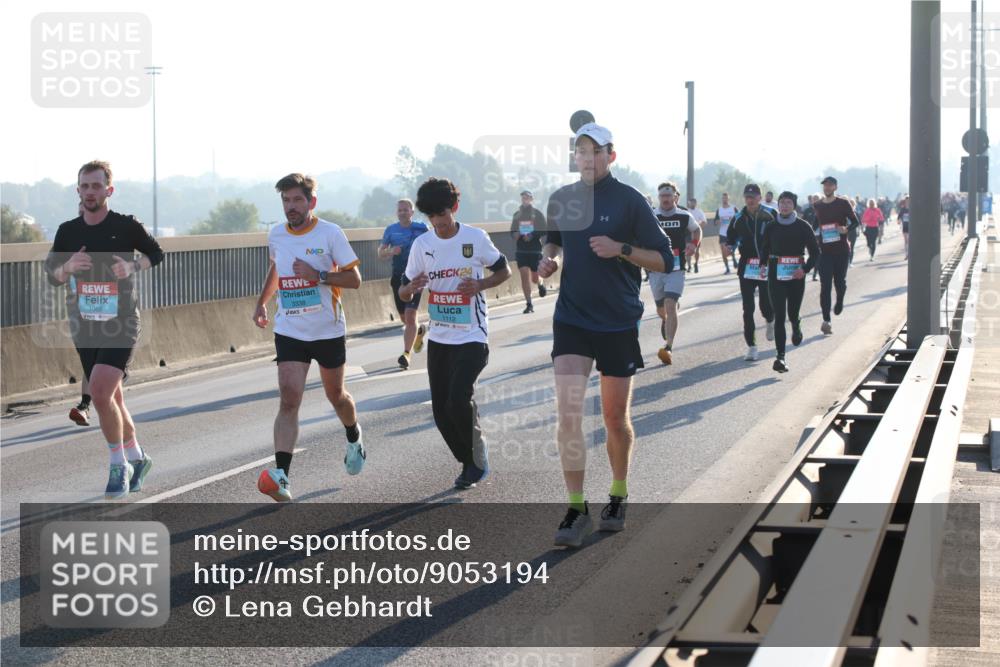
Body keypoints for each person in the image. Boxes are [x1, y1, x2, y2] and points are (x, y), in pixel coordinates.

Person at [537, 122, 674, 548]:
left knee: (615, 418)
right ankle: (576, 506)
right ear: (574, 157)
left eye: (596, 152)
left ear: (610, 156)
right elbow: (554, 243)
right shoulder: (562, 199)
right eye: (581, 152)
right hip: (572, 320)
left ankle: (617, 493)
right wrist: (549, 261)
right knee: (569, 415)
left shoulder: (630, 201)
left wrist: (623, 250)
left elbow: (665, 260)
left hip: (617, 321)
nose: (588, 159)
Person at [45, 160, 163, 498]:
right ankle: (138, 457)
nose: (90, 192)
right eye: (85, 186)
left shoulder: (125, 226)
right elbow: (52, 275)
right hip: (84, 325)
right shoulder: (68, 230)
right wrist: (67, 267)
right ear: (78, 190)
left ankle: (118, 466)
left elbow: (156, 253)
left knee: (98, 393)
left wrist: (132, 265)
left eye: (97, 186)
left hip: (121, 323)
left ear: (109, 190)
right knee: (112, 398)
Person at [254, 173, 365, 502]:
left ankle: (353, 434)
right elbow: (277, 269)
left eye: (297, 200)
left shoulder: (330, 233)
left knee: (337, 396)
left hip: (327, 329)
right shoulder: (276, 234)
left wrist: (318, 276)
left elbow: (355, 279)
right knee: (289, 399)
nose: (291, 206)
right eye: (286, 201)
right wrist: (261, 302)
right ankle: (282, 476)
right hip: (289, 329)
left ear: (311, 202)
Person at [399, 177, 511, 489]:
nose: (439, 223)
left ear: (455, 208)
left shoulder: (475, 238)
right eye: (432, 217)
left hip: (472, 335)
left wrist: (481, 284)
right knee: (440, 412)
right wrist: (411, 288)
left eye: (443, 215)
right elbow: (404, 293)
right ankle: (469, 460)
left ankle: (476, 454)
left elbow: (505, 271)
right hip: (439, 338)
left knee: (458, 399)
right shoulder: (422, 245)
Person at [762, 192, 819, 373]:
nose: (784, 206)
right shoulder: (771, 226)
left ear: (794, 205)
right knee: (779, 316)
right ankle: (780, 357)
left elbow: (815, 253)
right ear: (778, 205)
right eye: (782, 203)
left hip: (796, 276)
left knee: (792, 313)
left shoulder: (803, 226)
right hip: (776, 276)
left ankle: (796, 324)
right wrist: (763, 264)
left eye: (788, 203)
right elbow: (764, 249)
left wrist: (805, 269)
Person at [651, 183, 700, 364]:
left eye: (668, 195)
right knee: (661, 308)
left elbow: (697, 230)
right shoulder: (652, 216)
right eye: (662, 195)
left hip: (676, 268)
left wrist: (694, 244)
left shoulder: (683, 216)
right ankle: (665, 319)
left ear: (675, 197)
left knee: (670, 304)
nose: (665, 198)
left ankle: (669, 346)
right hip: (656, 269)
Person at [726, 183, 776, 361]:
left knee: (765, 305)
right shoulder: (738, 217)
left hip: (765, 265)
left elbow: (781, 232)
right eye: (747, 197)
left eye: (753, 197)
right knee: (748, 308)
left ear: (759, 198)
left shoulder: (770, 214)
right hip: (746, 266)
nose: (750, 200)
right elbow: (730, 238)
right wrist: (729, 247)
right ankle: (752, 346)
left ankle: (770, 320)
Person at [378, 199, 429, 369]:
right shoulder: (391, 230)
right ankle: (419, 332)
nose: (402, 212)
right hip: (398, 277)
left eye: (406, 210)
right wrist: (392, 251)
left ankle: (406, 354)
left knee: (410, 316)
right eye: (400, 210)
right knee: (404, 318)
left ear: (412, 212)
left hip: (416, 277)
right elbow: (381, 253)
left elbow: (434, 245)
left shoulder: (422, 228)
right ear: (396, 212)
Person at [813, 176, 860, 335]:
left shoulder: (842, 203)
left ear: (835, 187)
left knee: (839, 282)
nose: (827, 187)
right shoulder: (817, 205)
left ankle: (839, 300)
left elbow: (855, 222)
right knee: (825, 286)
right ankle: (826, 320)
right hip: (824, 252)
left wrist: (846, 229)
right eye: (825, 185)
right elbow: (815, 224)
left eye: (830, 185)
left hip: (841, 250)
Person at [509, 190, 548, 313]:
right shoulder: (517, 215)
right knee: (524, 277)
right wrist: (516, 234)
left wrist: (532, 235)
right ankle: (529, 304)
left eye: (527, 197)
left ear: (531, 199)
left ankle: (540, 284)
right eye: (523, 197)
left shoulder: (537, 214)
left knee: (535, 278)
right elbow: (512, 231)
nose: (525, 199)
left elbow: (545, 230)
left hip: (535, 250)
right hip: (521, 251)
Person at [714, 192, 740, 274]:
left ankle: (733, 258)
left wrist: (733, 220)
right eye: (723, 198)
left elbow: (740, 218)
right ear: (721, 199)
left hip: (732, 233)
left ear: (728, 199)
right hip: (722, 233)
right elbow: (715, 222)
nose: (724, 200)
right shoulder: (719, 210)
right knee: (723, 250)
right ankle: (727, 268)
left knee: (730, 248)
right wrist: (718, 221)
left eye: (726, 198)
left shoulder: (733, 208)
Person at [685, 197, 707, 273]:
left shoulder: (699, 211)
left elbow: (704, 222)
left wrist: (697, 229)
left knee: (696, 250)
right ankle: (689, 266)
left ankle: (696, 263)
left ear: (696, 203)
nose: (692, 204)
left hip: (697, 233)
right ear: (689, 203)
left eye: (694, 202)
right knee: (688, 249)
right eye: (691, 202)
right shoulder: (686, 211)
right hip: (688, 233)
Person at [898, 195, 911, 259]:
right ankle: (906, 254)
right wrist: (899, 221)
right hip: (905, 226)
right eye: (906, 201)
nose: (908, 202)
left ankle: (910, 253)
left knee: (910, 240)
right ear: (905, 201)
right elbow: (899, 216)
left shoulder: (913, 208)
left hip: (912, 227)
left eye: (909, 200)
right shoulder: (903, 209)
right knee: (906, 240)